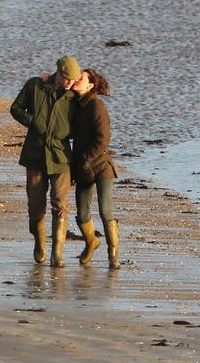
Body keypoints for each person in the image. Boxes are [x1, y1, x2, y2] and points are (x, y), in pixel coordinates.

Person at [10, 55, 81, 267]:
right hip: (35, 155)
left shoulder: (75, 97)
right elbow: (15, 108)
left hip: (61, 157)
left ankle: (56, 254)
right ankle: (39, 241)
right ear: (58, 73)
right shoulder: (35, 86)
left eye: (73, 80)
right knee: (35, 206)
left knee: (60, 204)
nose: (70, 83)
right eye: (67, 79)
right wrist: (33, 122)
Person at [70, 69, 120, 269]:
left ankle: (113, 254)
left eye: (80, 78)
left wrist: (85, 157)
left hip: (101, 167)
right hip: (83, 169)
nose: (75, 80)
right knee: (82, 214)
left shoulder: (96, 105)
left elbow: (103, 138)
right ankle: (92, 242)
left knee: (105, 211)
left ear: (90, 85)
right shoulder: (75, 103)